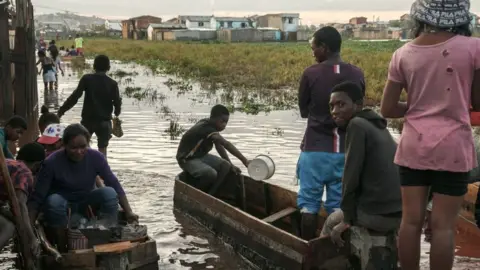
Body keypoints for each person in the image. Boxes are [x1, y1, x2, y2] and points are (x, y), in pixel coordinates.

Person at [380, 1, 479, 269]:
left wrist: (416, 106)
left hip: (414, 147)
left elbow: (387, 108)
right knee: (444, 227)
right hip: (453, 149)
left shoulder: (403, 53)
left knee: (410, 222)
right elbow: (478, 102)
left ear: (420, 16)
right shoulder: (474, 48)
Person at [321, 81, 401, 269]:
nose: (335, 111)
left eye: (341, 104)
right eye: (332, 106)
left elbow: (350, 177)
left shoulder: (356, 125)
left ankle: (321, 264)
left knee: (332, 221)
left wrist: (347, 220)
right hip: (397, 212)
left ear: (358, 105)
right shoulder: (377, 125)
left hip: (376, 214)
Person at [297, 26, 366, 240]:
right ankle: (336, 250)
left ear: (324, 48)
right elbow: (358, 108)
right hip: (346, 152)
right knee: (339, 207)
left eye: (314, 48)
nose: (313, 52)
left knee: (309, 206)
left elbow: (303, 111)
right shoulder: (357, 73)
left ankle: (307, 249)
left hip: (315, 150)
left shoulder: (310, 73)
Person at [27, 124, 138, 252]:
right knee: (54, 201)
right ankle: (63, 248)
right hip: (62, 206)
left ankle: (105, 238)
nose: (79, 151)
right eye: (73, 147)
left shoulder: (96, 157)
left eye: (83, 147)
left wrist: (128, 211)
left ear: (88, 143)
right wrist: (29, 227)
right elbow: (37, 197)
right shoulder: (52, 162)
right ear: (64, 145)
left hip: (86, 203)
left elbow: (114, 184)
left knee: (109, 193)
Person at [176, 105, 250, 195]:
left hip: (199, 156)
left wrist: (230, 164)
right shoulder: (206, 128)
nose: (224, 125)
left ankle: (212, 193)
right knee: (210, 174)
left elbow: (219, 146)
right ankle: (198, 194)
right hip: (186, 159)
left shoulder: (211, 127)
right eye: (222, 121)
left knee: (225, 166)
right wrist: (245, 160)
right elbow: (226, 144)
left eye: (226, 122)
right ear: (213, 118)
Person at [57, 55, 121, 157]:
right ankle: (101, 170)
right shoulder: (112, 83)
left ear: (94, 66)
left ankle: (87, 167)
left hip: (88, 121)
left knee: (83, 148)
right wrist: (117, 112)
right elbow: (117, 103)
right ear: (108, 68)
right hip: (104, 122)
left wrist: (61, 111)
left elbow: (75, 97)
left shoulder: (87, 79)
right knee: (103, 151)